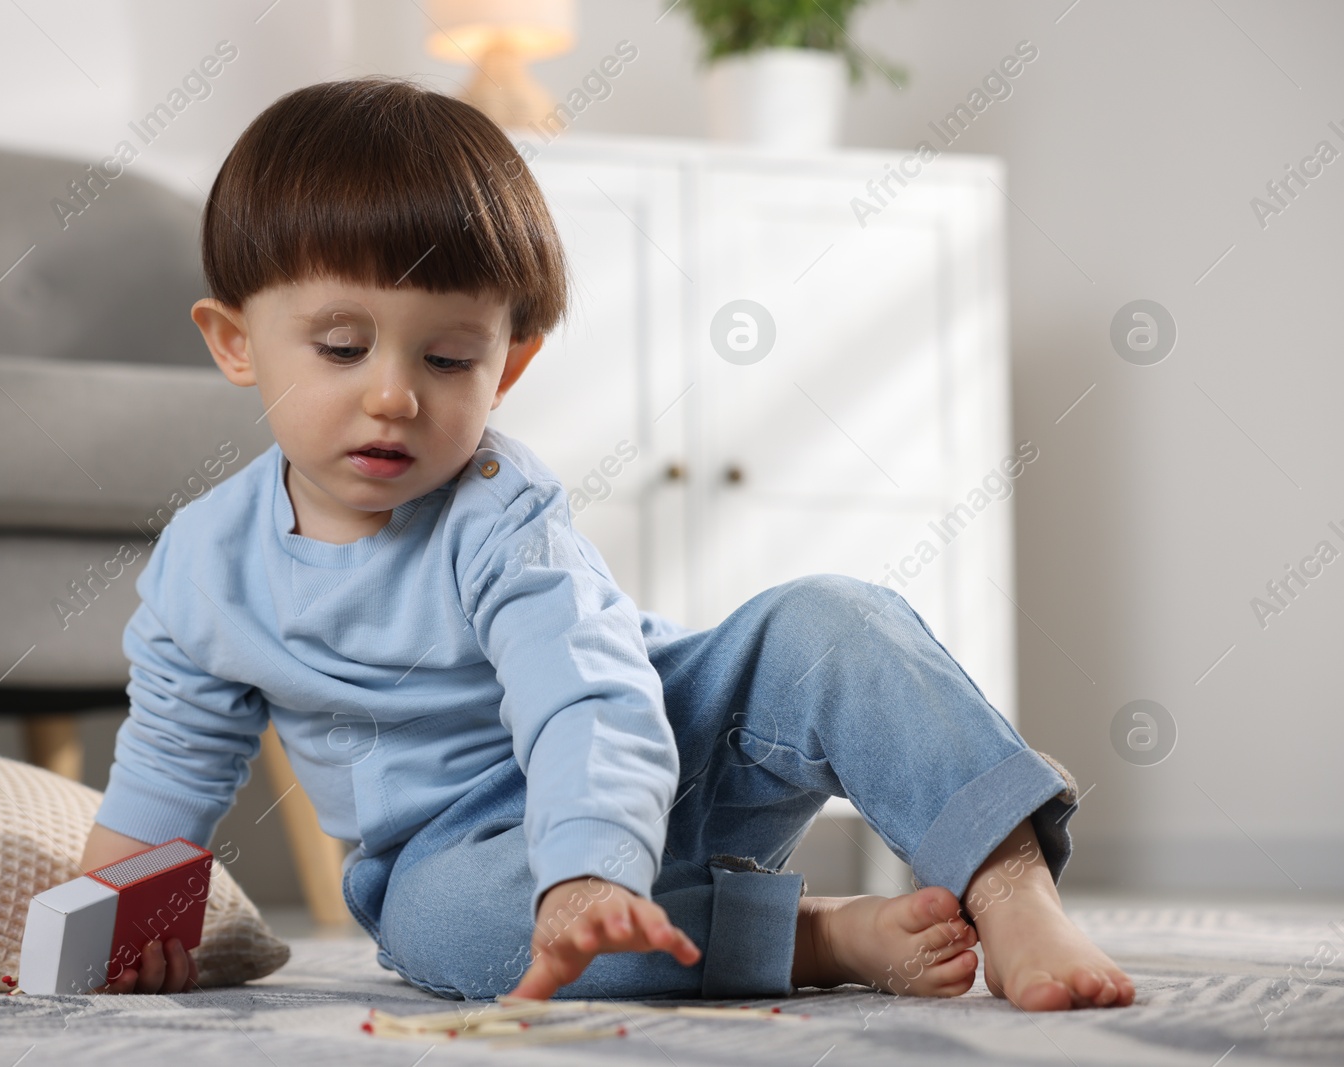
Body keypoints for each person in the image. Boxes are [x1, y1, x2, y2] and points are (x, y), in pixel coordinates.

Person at [77, 76, 1134, 1012]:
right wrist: (115, 934)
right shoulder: (204, 567)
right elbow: (171, 763)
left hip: (658, 740)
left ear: (510, 367)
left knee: (833, 617)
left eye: (448, 357)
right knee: (451, 930)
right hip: (460, 854)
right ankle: (812, 934)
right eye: (342, 347)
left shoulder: (499, 507)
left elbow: (585, 696)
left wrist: (590, 863)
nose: (393, 393)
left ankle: (1009, 889)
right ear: (233, 342)